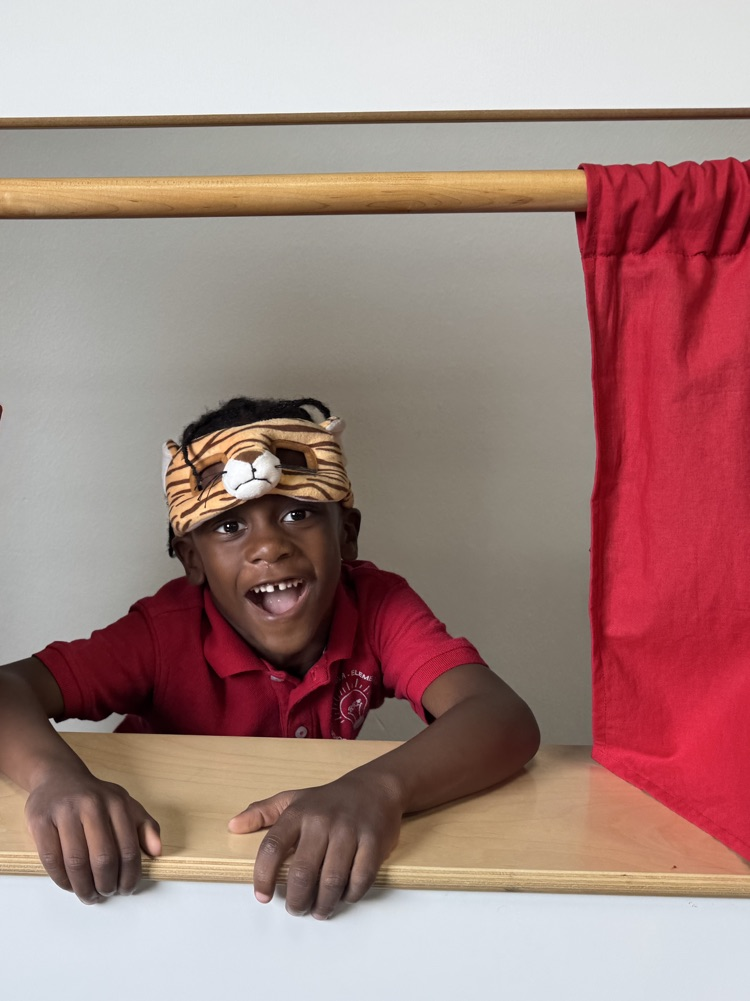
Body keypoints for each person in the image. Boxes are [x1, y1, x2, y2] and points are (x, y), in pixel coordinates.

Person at [0, 396, 540, 919]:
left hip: (289, 886)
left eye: (298, 514)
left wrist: (379, 789)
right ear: (193, 560)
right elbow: (8, 689)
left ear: (347, 536)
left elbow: (502, 717)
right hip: (159, 882)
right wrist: (55, 779)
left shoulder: (376, 605)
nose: (268, 547)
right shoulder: (162, 633)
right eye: (230, 527)